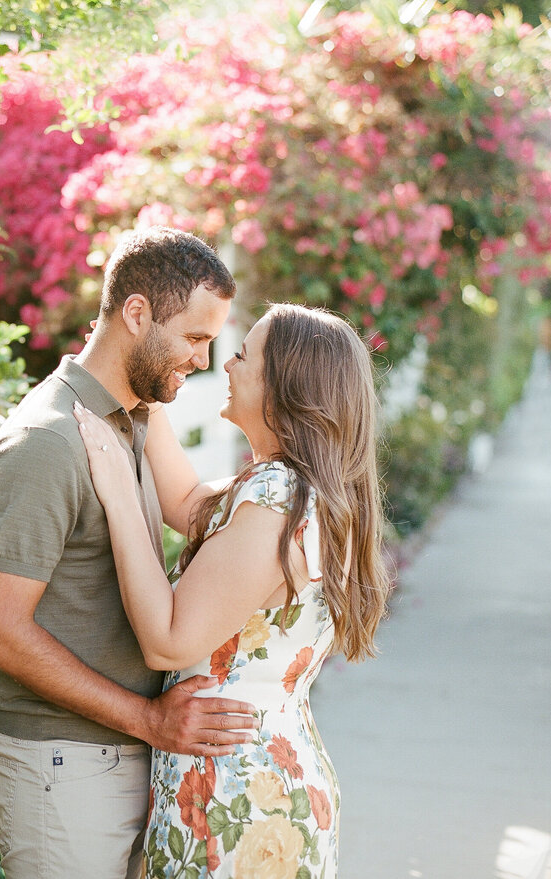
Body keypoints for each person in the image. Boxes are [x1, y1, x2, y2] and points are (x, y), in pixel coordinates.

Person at [0, 227, 259, 879]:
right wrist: (150, 719)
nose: (204, 360)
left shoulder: (132, 417)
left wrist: (293, 480)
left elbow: (192, 507)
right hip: (60, 768)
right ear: (136, 313)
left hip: (125, 755)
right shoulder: (47, 441)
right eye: (194, 337)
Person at [72, 302, 392, 878]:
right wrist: (138, 374)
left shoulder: (276, 499)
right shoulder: (292, 489)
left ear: (283, 387)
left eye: (243, 355)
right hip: (253, 782)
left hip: (239, 803)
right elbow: (187, 502)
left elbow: (169, 642)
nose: (226, 365)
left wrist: (119, 493)